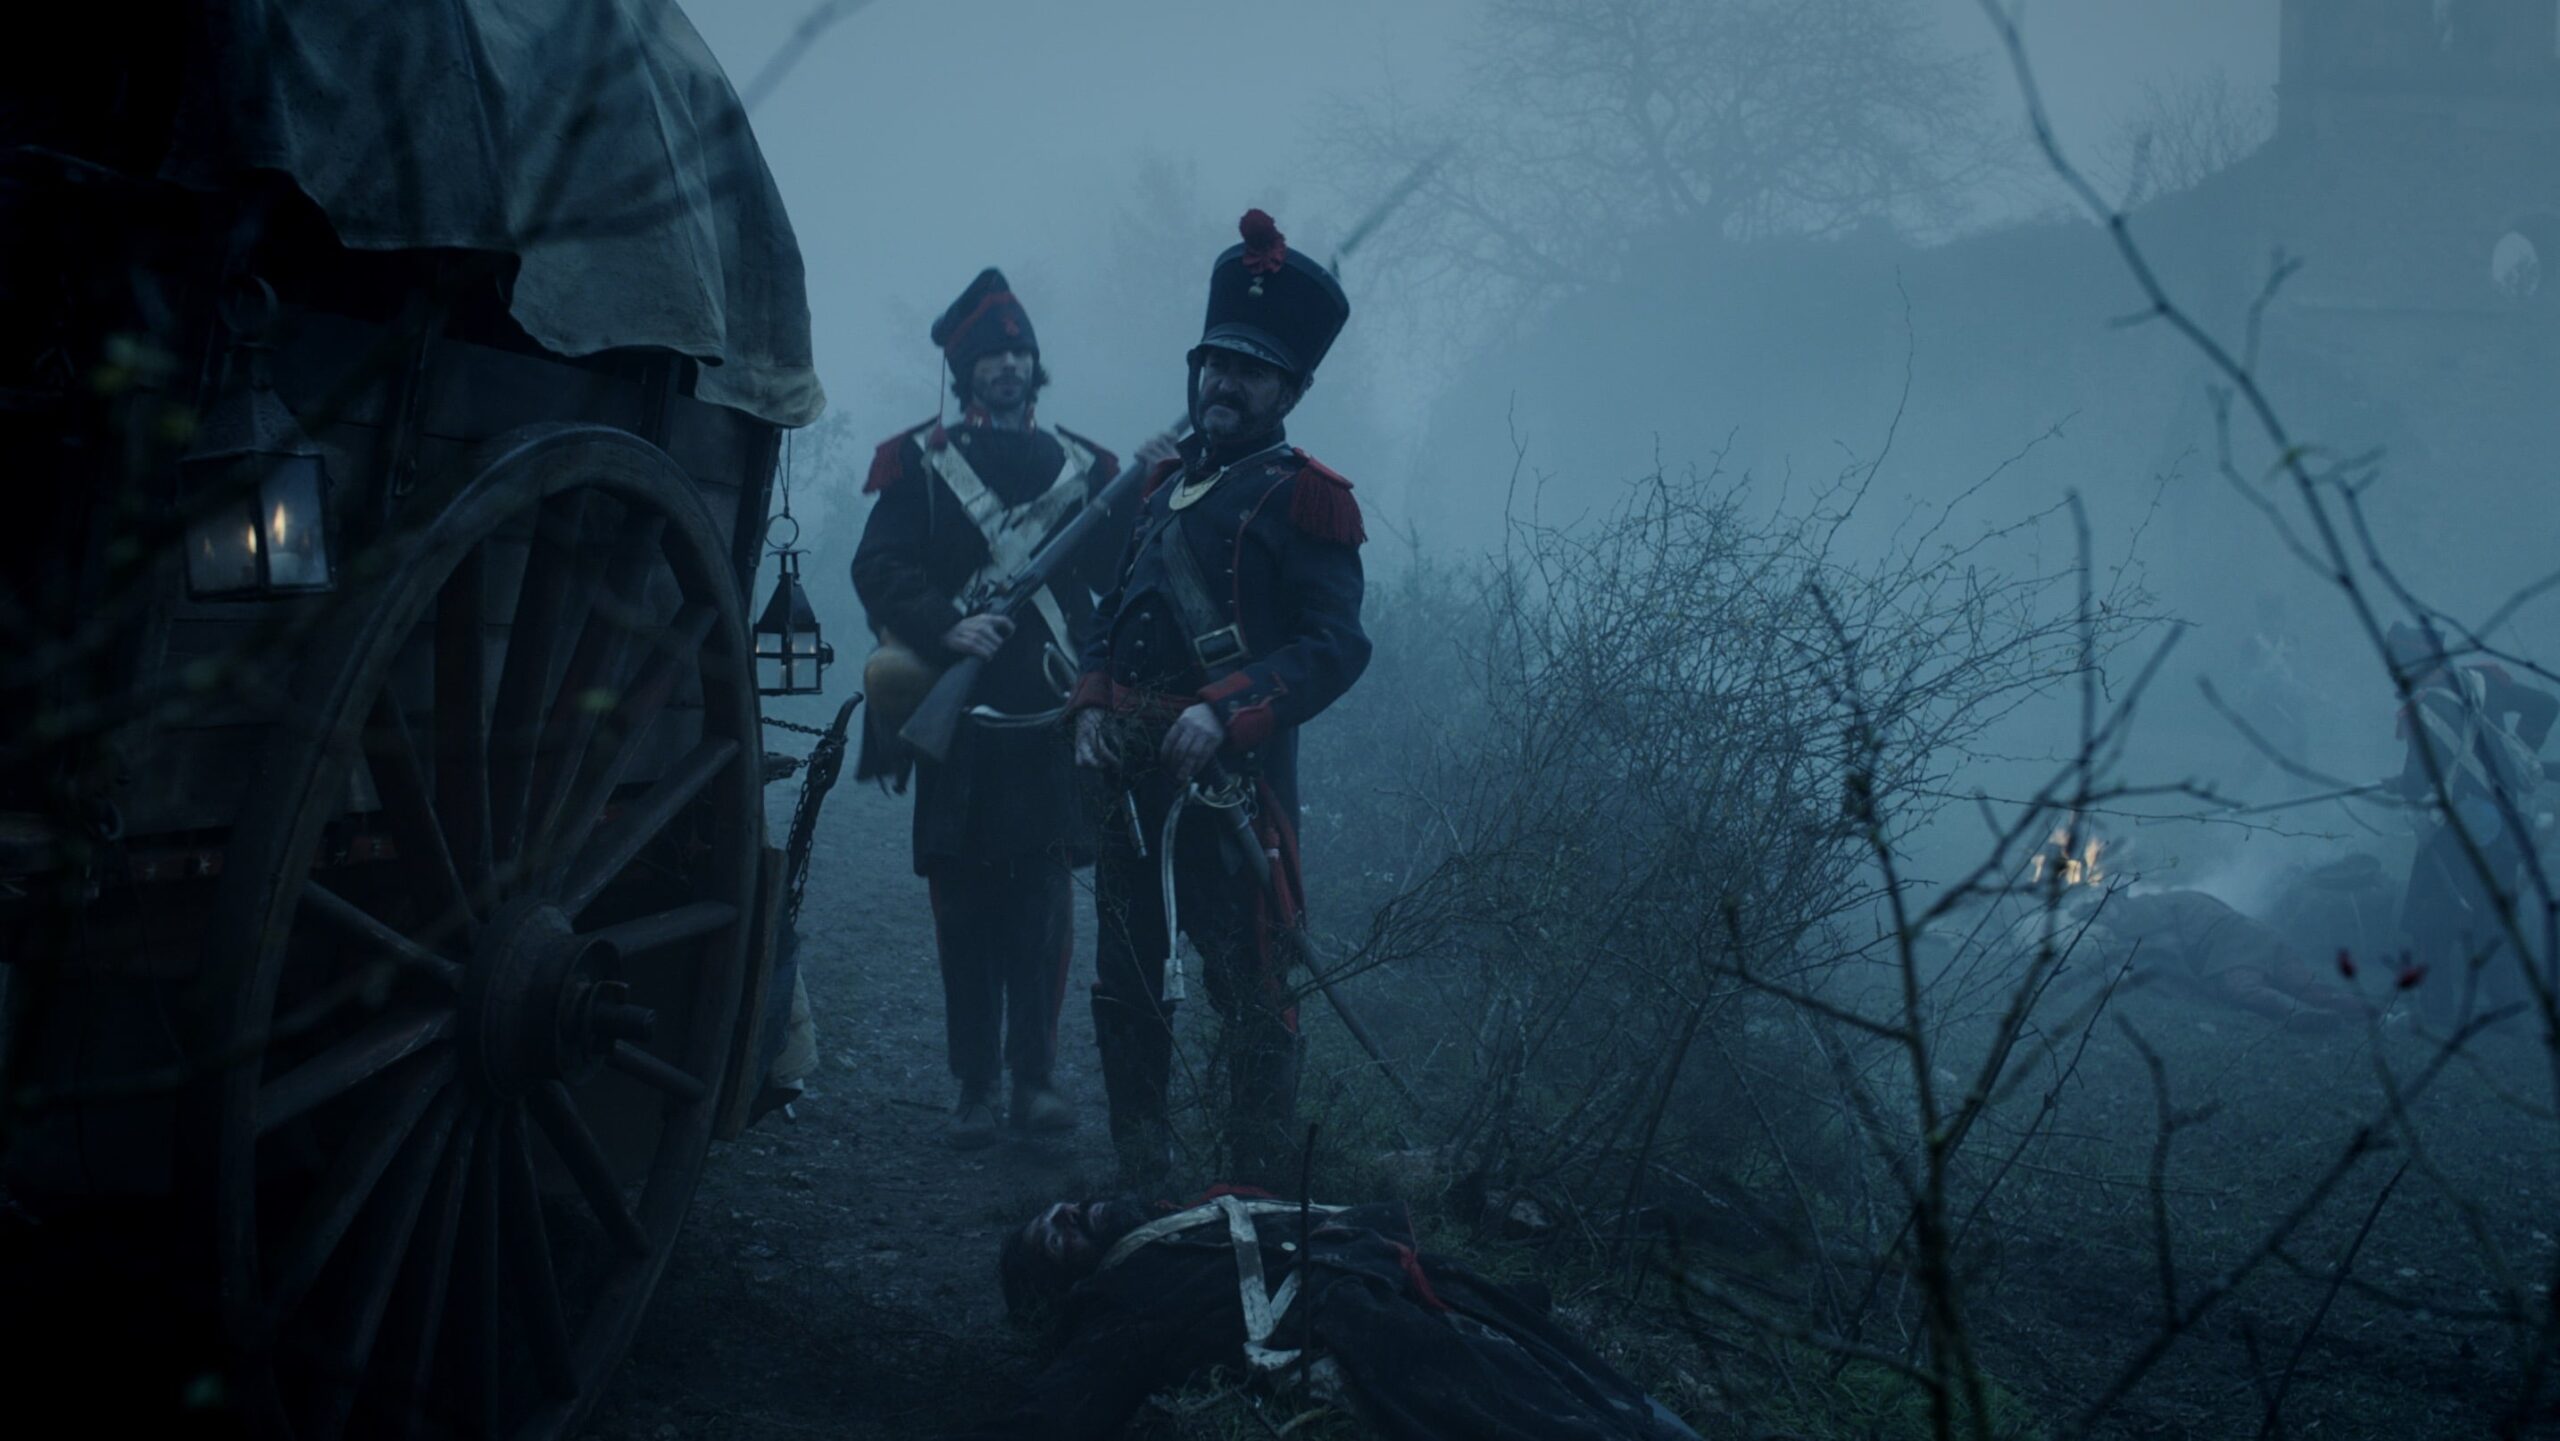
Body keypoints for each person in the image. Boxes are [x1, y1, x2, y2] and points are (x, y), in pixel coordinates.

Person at [1067, 211, 1372, 1188]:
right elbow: (1114, 610)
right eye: (1215, 363)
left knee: (1249, 984)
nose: (1224, 384)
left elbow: (1336, 646)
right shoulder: (1161, 489)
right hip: (1130, 777)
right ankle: (1142, 1174)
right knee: (1125, 972)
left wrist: (1225, 708)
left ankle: (1253, 1188)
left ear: (1291, 390)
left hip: (1234, 789)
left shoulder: (1306, 497)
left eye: (1250, 370)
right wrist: (1090, 701)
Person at [851, 268, 1160, 1147]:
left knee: (1045, 911)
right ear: (966, 371)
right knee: (963, 912)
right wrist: (948, 624)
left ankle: (1035, 1082)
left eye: (1020, 353)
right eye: (991, 356)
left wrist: (1147, 485)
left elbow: (1121, 572)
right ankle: (974, 1088)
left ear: (1035, 365)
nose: (1009, 366)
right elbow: (879, 566)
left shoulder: (1087, 468)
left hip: (1051, 719)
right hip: (959, 724)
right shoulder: (922, 464)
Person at [953, 1189, 1706, 1441]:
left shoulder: (1186, 1213)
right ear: (1063, 1282)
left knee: (1596, 1388)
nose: (1071, 1215)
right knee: (1537, 1419)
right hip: (1364, 1330)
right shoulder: (1118, 1304)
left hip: (1413, 1284)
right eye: (1056, 1237)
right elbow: (1056, 1411)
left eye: (1062, 1208)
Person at [2386, 621, 2556, 1024]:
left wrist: (2401, 786)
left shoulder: (2423, 709)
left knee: (2433, 919)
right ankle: (2505, 1007)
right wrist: (2520, 753)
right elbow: (2546, 706)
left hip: (2455, 833)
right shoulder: (2483, 682)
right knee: (2493, 917)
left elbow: (2417, 784)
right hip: (2507, 823)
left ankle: (2438, 1011)